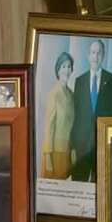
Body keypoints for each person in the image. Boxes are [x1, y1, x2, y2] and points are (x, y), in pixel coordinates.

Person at [70, 39, 112, 181]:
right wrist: (73, 145)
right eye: (93, 52)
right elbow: (76, 114)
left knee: (100, 186)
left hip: (102, 144)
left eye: (99, 53)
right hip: (82, 145)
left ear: (103, 56)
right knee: (78, 185)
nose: (95, 56)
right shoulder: (79, 81)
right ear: (88, 55)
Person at [40, 51, 75, 180]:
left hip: (66, 152)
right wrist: (48, 158)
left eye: (69, 66)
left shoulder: (71, 95)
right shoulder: (54, 94)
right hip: (54, 154)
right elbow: (49, 126)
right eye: (63, 66)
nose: (66, 70)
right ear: (58, 70)